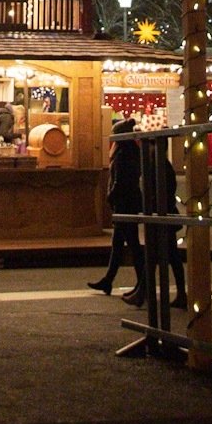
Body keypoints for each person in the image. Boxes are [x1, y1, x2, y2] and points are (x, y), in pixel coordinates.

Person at [124, 148, 187, 310]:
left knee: (155, 255)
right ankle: (149, 292)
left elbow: (162, 190)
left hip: (161, 216)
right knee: (167, 256)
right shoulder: (160, 165)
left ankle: (144, 293)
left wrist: (152, 205)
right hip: (163, 215)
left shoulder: (159, 166)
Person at [89, 117, 144, 295]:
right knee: (120, 243)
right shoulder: (131, 152)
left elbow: (120, 181)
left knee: (131, 244)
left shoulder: (123, 155)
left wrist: (111, 196)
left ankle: (143, 283)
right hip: (127, 201)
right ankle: (109, 280)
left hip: (124, 203)